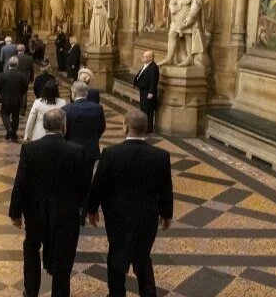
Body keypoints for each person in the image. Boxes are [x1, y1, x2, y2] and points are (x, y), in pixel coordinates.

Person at [87, 109, 173, 297]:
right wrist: (166, 213)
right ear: (145, 128)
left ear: (125, 126)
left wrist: (92, 209)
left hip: (117, 217)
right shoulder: (160, 155)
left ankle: (116, 293)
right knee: (143, 257)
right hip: (147, 217)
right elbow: (165, 188)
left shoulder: (111, 153)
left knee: (117, 255)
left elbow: (99, 184)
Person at [9, 108, 91, 297]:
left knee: (31, 249)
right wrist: (82, 210)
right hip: (65, 214)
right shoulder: (77, 151)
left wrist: (15, 211)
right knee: (63, 256)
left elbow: (21, 181)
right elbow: (84, 185)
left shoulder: (30, 149)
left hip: (36, 212)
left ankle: (31, 291)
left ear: (44, 126)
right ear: (64, 126)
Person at [63, 81, 106, 176]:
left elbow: (64, 131)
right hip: (91, 148)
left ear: (74, 93)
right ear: (87, 93)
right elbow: (102, 127)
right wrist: (93, 137)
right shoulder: (98, 108)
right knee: (88, 176)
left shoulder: (66, 109)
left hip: (71, 149)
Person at [0, 56, 30, 141]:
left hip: (6, 99)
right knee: (15, 116)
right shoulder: (22, 75)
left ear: (9, 64)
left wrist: (3, 93)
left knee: (4, 114)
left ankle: (9, 129)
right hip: (17, 99)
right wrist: (21, 93)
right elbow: (25, 88)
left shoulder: (3, 74)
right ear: (17, 65)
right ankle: (13, 133)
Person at [133, 51, 160, 133]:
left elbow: (153, 81)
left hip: (148, 92)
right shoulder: (147, 65)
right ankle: (144, 125)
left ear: (151, 58)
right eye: (143, 56)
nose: (143, 57)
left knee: (148, 110)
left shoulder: (153, 67)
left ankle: (148, 128)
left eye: (145, 56)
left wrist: (151, 93)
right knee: (143, 109)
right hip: (143, 91)